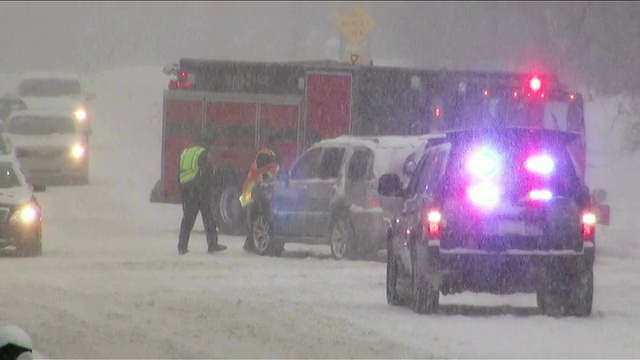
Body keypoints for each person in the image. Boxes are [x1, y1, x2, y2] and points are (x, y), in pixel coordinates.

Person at [177, 134, 227, 255]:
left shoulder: (185, 153)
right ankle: (212, 244)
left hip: (187, 189)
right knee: (208, 217)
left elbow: (179, 173)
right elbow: (207, 173)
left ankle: (182, 246)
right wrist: (211, 188)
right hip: (199, 189)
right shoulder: (203, 153)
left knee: (187, 219)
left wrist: (183, 192)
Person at [239, 147, 279, 252]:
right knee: (254, 219)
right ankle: (250, 243)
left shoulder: (259, 171)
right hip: (251, 199)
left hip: (252, 198)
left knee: (255, 220)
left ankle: (250, 243)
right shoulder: (261, 173)